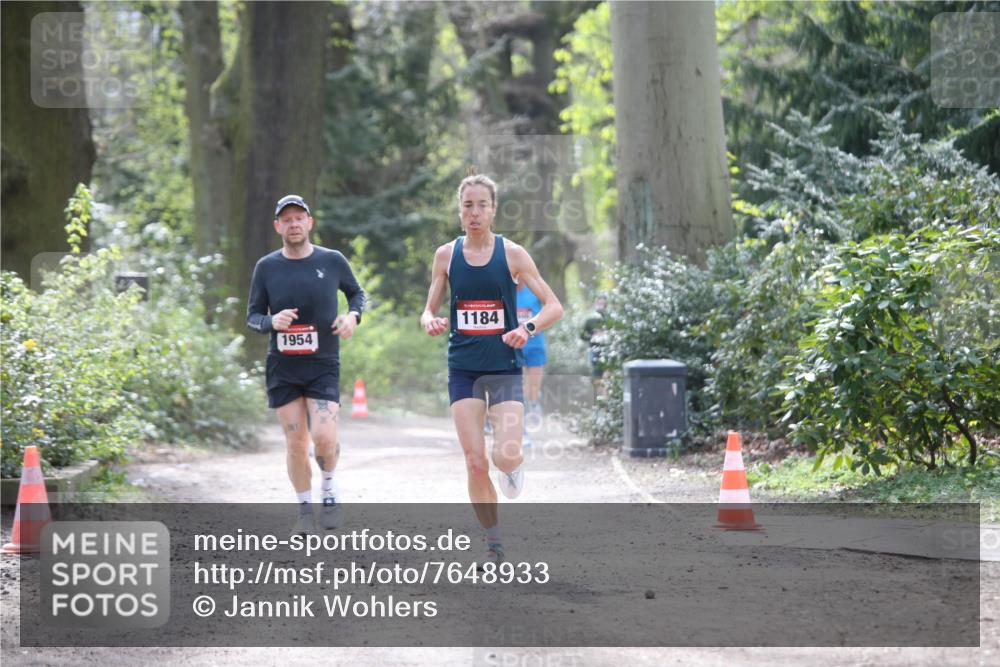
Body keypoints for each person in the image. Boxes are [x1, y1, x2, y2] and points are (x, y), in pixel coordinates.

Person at [420, 172, 563, 564]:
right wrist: (429, 319)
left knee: (506, 455)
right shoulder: (446, 256)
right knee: (474, 460)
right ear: (459, 210)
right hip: (462, 368)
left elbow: (554, 306)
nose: (475, 212)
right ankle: (493, 541)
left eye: (482, 205)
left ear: (494, 209)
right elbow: (429, 307)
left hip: (503, 367)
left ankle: (512, 469)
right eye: (468, 205)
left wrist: (527, 328)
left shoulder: (513, 254)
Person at [247, 194, 365, 536]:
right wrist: (272, 322)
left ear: (310, 223)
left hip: (323, 363)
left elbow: (357, 294)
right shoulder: (266, 267)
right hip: (283, 368)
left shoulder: (332, 260)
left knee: (325, 438)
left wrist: (352, 317)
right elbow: (252, 316)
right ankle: (304, 510)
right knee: (296, 442)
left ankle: (328, 486)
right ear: (277, 226)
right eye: (287, 219)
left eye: (299, 218)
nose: (294, 224)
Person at [516, 280, 547, 447]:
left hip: (535, 346)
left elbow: (552, 308)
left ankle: (535, 400)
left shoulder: (535, 290)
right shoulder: (505, 290)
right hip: (514, 346)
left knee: (531, 391)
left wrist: (540, 324)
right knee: (517, 391)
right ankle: (523, 433)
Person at [581, 295, 609, 385]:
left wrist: (606, 334)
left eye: (602, 303)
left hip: (608, 350)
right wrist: (592, 336)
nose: (600, 305)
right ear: (595, 304)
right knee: (597, 374)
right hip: (594, 350)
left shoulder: (610, 319)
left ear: (606, 305)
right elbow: (582, 335)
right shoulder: (590, 320)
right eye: (599, 303)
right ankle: (598, 396)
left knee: (608, 374)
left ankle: (607, 396)